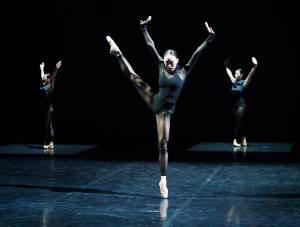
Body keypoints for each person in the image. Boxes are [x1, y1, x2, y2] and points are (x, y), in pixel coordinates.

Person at [106, 16, 215, 198]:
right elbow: (151, 46)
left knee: (163, 145)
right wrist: (144, 30)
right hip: (155, 100)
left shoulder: (184, 71)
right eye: (165, 61)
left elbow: (197, 52)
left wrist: (209, 38)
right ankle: (117, 53)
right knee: (134, 77)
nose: (168, 64)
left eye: (171, 62)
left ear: (177, 60)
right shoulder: (161, 65)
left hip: (165, 112)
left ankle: (162, 180)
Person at [224, 57, 258, 147]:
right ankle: (244, 138)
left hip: (241, 105)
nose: (235, 74)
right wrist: (226, 65)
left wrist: (255, 66)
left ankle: (235, 140)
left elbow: (251, 75)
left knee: (238, 122)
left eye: (237, 73)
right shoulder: (233, 80)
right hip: (233, 105)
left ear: (241, 75)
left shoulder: (244, 82)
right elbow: (229, 72)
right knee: (240, 122)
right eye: (235, 73)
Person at [39, 61, 62, 149]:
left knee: (47, 125)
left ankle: (46, 142)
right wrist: (42, 69)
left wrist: (56, 68)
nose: (43, 77)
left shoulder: (50, 85)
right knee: (50, 125)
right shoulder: (44, 83)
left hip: (50, 107)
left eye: (45, 77)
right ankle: (51, 143)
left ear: (48, 79)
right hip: (47, 107)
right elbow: (42, 76)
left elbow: (53, 77)